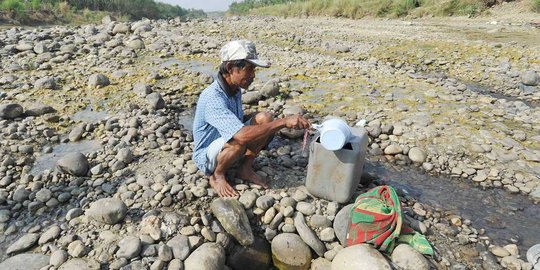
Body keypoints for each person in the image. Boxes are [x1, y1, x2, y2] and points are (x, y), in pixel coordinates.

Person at [192, 40, 310, 197]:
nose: (253, 75)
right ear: (230, 68)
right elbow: (240, 135)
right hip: (207, 154)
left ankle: (244, 168)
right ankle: (217, 175)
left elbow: (240, 124)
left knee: (265, 118)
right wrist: (282, 122)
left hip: (225, 140)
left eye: (253, 69)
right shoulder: (213, 97)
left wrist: (274, 123)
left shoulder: (234, 89)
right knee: (239, 141)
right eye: (249, 69)